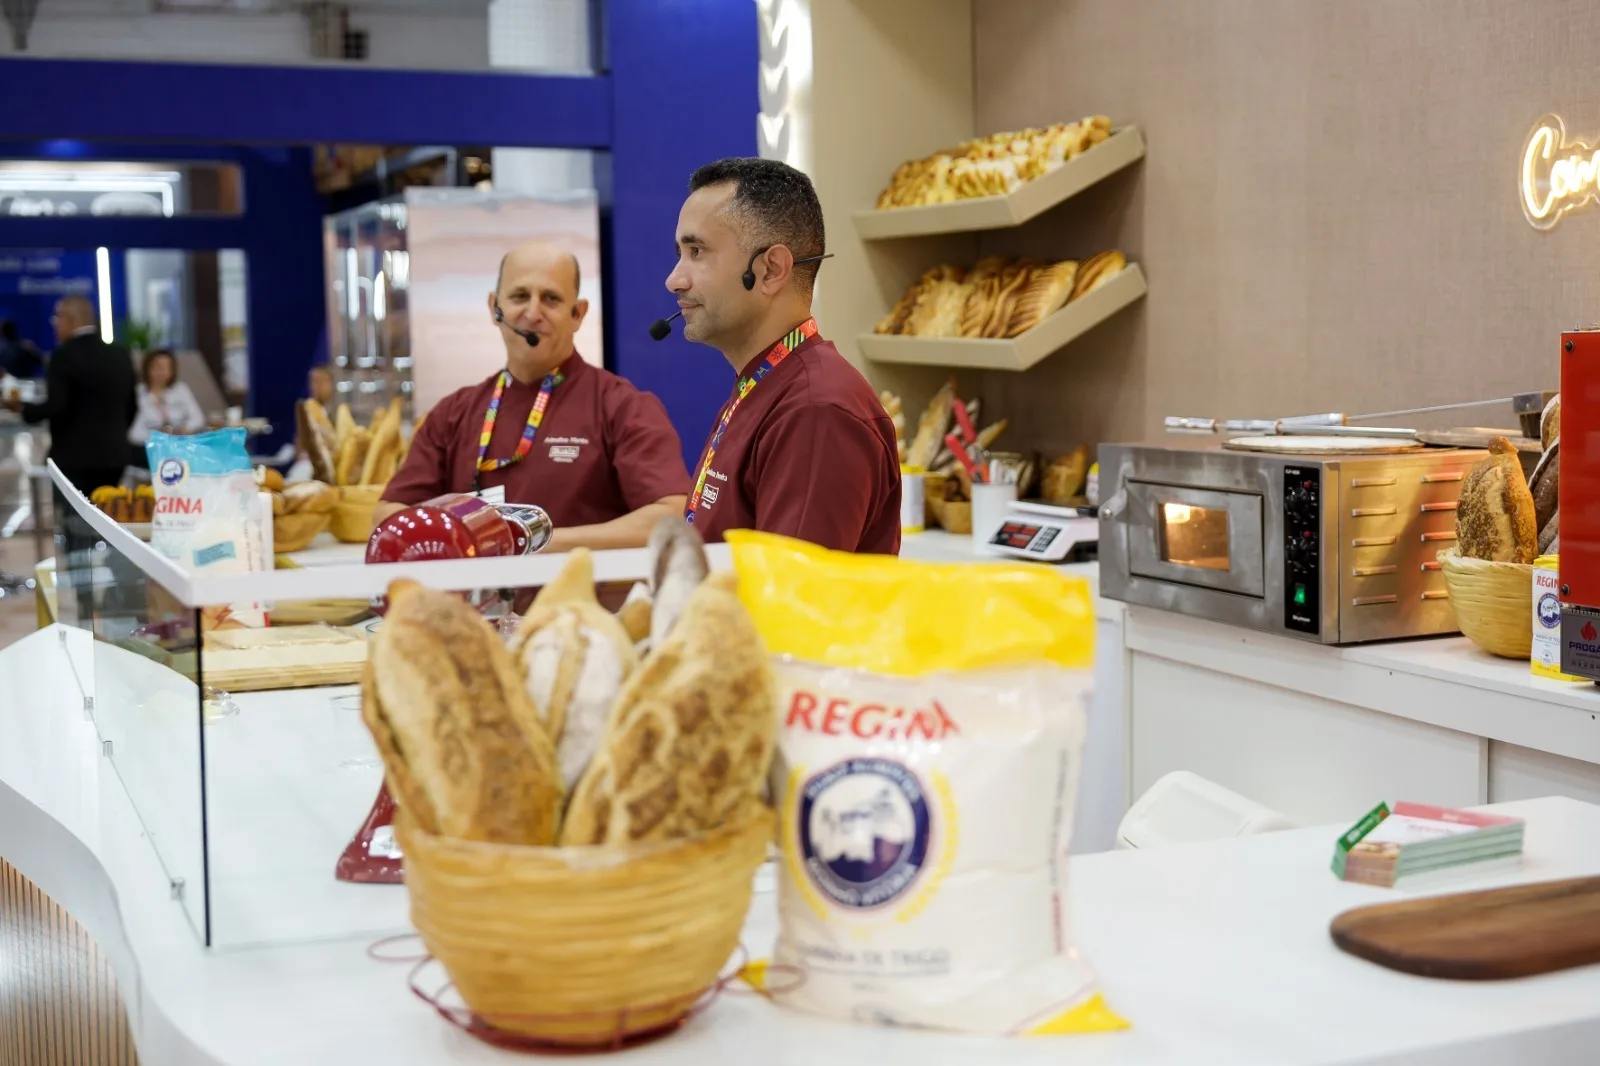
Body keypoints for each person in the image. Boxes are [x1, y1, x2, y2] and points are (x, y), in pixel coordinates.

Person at [378, 239, 690, 552]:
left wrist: (528, 542)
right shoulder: (453, 413)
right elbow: (387, 515)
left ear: (577, 314)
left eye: (551, 299)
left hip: (580, 598)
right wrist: (464, 541)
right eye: (519, 296)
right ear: (494, 308)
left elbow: (673, 514)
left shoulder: (622, 406)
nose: (533, 312)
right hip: (469, 600)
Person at [666, 157, 901, 554]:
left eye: (697, 251)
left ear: (771, 270)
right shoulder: (766, 385)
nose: (675, 279)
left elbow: (791, 606)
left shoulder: (816, 410)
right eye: (681, 253)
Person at [4, 296, 136, 495]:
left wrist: (24, 410)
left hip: (74, 458)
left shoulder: (63, 356)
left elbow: (57, 405)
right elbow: (132, 406)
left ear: (68, 318)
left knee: (72, 521)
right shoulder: (120, 354)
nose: (55, 325)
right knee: (106, 519)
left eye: (57, 319)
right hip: (114, 457)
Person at [129, 349, 206, 458]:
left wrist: (184, 430)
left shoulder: (181, 389)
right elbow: (134, 433)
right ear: (147, 368)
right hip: (149, 450)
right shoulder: (138, 393)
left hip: (180, 445)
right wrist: (158, 438)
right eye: (157, 367)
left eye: (167, 367)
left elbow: (198, 418)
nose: (162, 371)